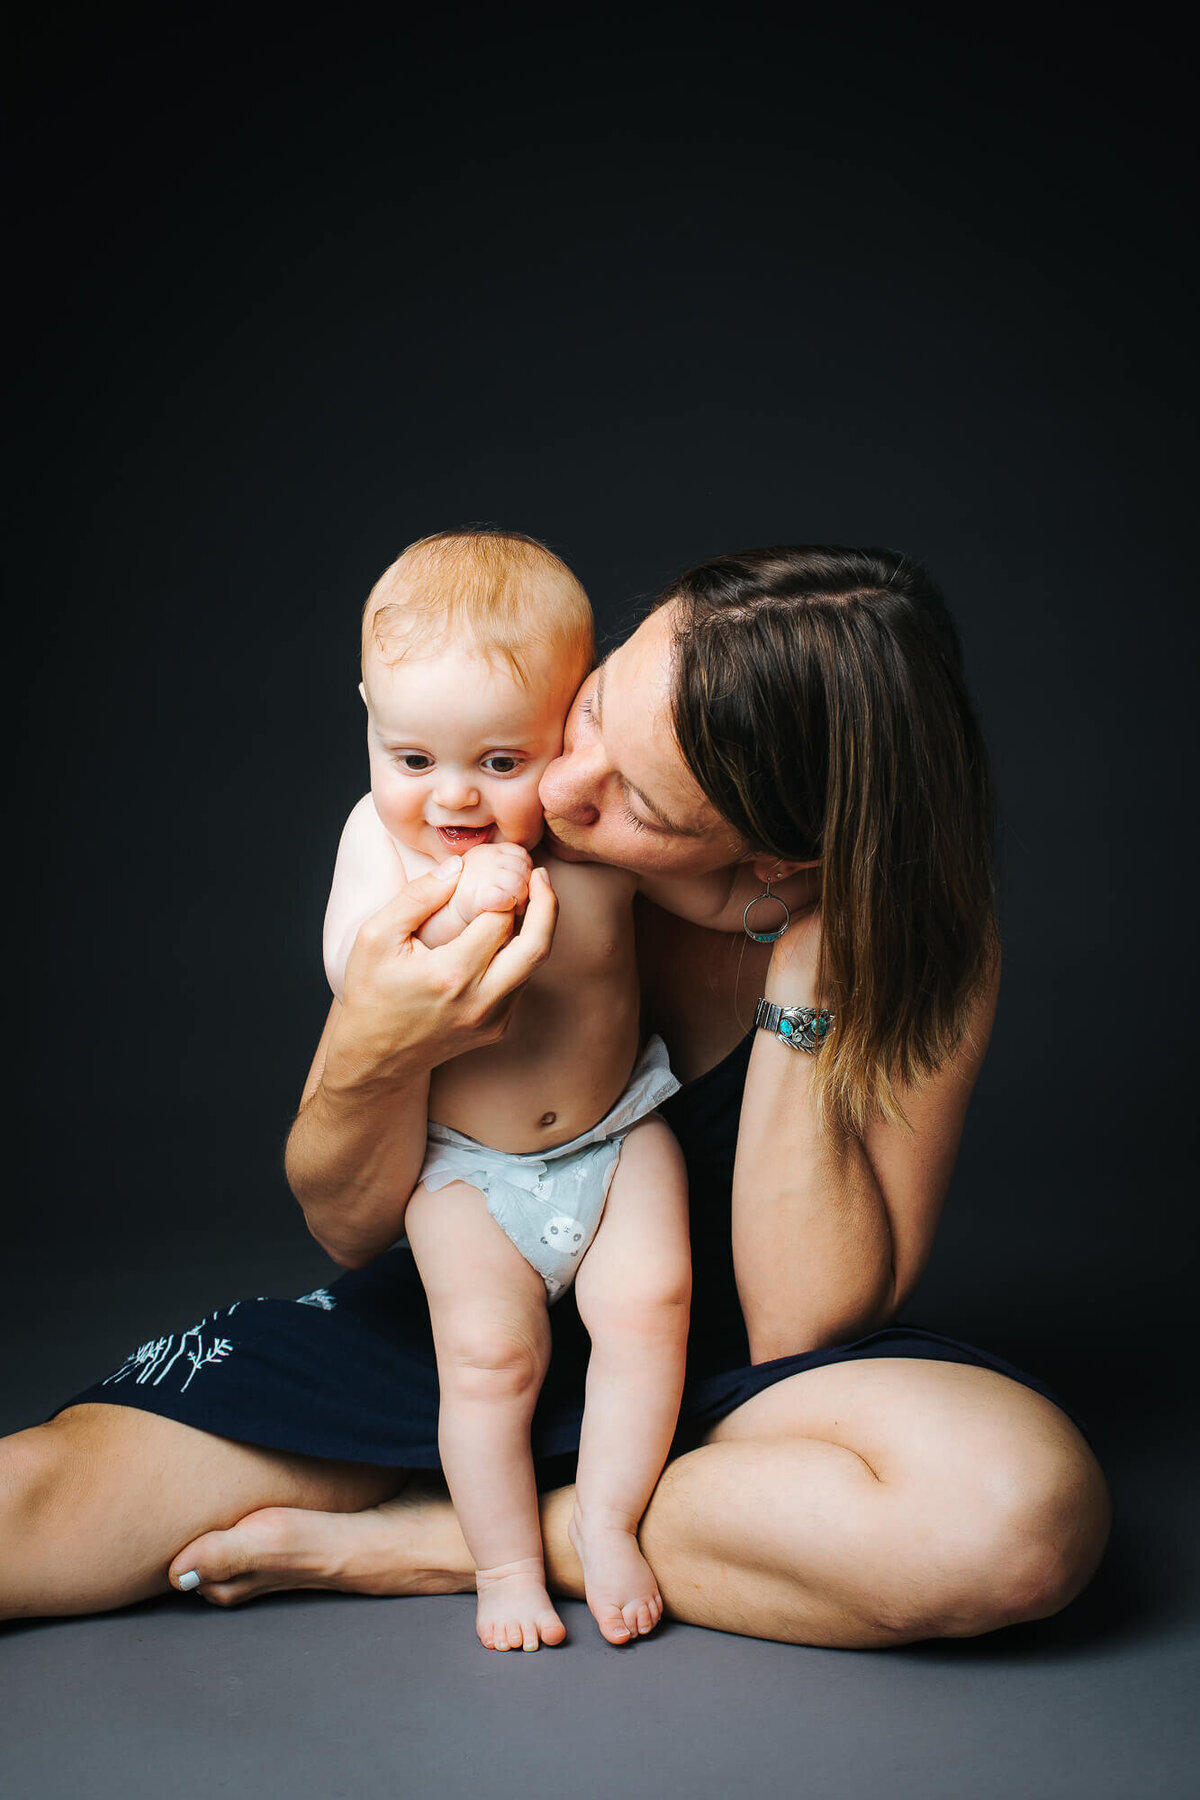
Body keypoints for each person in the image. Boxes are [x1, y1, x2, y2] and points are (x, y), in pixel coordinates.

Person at [0, 542, 1111, 1649]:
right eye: (594, 712)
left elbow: (799, 1324)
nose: (563, 792)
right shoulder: (482, 827)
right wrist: (380, 1048)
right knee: (31, 1512)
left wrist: (807, 972)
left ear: (775, 853)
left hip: (728, 1385)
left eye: (643, 800)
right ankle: (504, 1516)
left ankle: (457, 1541)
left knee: (1014, 1524)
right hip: (474, 1318)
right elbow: (348, 1227)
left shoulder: (925, 947)